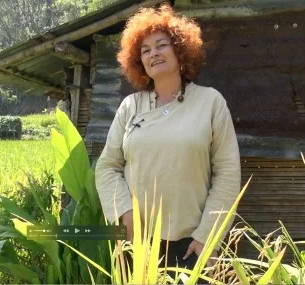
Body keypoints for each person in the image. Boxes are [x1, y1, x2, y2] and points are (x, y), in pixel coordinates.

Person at [94, 3, 241, 271]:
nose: (154, 54)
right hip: (136, 243)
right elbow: (107, 166)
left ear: (180, 49)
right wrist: (124, 214)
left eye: (161, 45)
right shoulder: (130, 106)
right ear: (138, 62)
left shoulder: (210, 103)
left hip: (192, 245)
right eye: (145, 50)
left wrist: (208, 235)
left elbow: (228, 173)